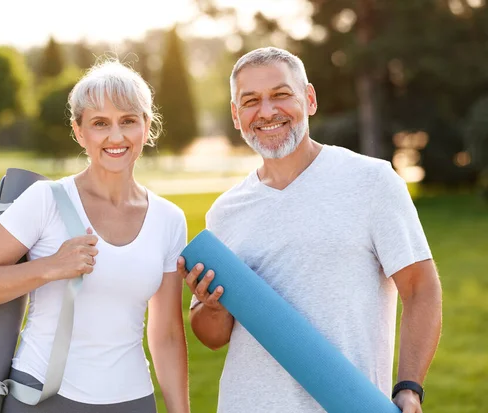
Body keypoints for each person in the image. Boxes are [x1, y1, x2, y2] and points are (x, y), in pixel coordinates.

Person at [178, 47, 442, 413]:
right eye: (251, 101)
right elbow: (213, 336)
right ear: (237, 117)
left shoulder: (372, 181)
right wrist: (211, 307)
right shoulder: (225, 211)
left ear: (309, 99)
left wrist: (409, 387)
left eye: (281, 95)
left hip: (348, 404)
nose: (267, 111)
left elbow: (421, 288)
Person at [0, 59, 190, 413]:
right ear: (79, 132)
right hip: (43, 397)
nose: (116, 136)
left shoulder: (169, 219)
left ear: (147, 125)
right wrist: (51, 267)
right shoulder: (45, 200)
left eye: (128, 120)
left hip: (132, 401)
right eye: (100, 123)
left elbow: (168, 335)